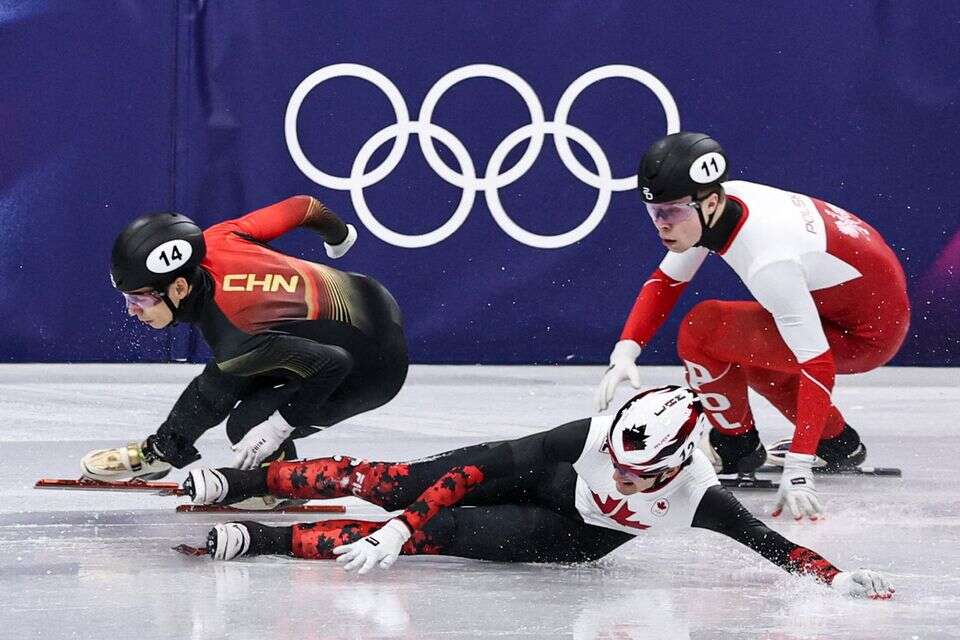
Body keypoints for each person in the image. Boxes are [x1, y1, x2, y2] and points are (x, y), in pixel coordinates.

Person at [180, 386, 893, 599]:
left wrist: (836, 577)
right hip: (547, 476)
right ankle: (241, 480)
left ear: (675, 469)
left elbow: (777, 548)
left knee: (435, 532)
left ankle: (263, 538)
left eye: (637, 475)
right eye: (614, 459)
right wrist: (397, 519)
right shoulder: (593, 434)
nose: (620, 475)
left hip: (574, 538)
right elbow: (480, 468)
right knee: (394, 485)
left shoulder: (702, 498)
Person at [594, 132, 909, 521]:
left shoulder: (769, 260)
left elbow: (818, 366)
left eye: (671, 212)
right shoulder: (724, 202)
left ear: (709, 203)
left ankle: (735, 446)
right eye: (654, 212)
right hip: (863, 307)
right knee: (746, 349)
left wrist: (797, 468)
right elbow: (667, 282)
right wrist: (626, 349)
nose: (661, 225)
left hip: (863, 336)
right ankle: (838, 443)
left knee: (703, 330)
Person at [81, 196, 408, 499]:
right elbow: (304, 207)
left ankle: (281, 485)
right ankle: (164, 450)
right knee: (227, 373)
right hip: (369, 295)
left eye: (139, 298)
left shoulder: (236, 334)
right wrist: (339, 237)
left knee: (247, 423)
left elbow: (333, 365)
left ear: (179, 287)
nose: (131, 310)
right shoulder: (219, 238)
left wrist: (278, 427)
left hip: (374, 369)